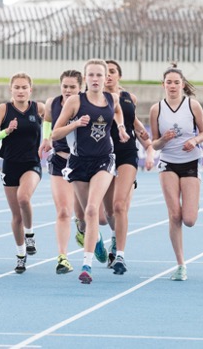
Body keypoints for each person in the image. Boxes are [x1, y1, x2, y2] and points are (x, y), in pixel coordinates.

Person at [52, 58, 130, 284]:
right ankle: (93, 240)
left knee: (94, 209)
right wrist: (75, 124)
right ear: (85, 78)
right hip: (78, 162)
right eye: (91, 75)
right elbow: (55, 134)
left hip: (104, 160)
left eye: (99, 75)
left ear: (106, 78)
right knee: (85, 216)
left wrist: (122, 128)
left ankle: (86, 265)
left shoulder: (111, 98)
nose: (96, 79)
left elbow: (116, 111)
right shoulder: (75, 102)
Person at [149, 66, 203, 281]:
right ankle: (181, 264)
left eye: (176, 82)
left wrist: (194, 140)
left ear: (182, 84)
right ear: (163, 85)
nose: (172, 86)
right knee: (174, 215)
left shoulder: (193, 106)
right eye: (169, 82)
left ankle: (193, 203)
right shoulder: (157, 109)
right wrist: (163, 140)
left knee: (189, 219)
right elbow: (154, 145)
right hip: (168, 163)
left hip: (190, 162)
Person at [100, 59, 154, 274]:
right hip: (102, 154)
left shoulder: (129, 98)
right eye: (105, 72)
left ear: (119, 76)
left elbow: (134, 124)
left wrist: (149, 147)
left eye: (112, 72)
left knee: (120, 205)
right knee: (106, 213)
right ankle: (113, 238)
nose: (108, 76)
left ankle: (120, 255)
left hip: (127, 153)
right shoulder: (94, 99)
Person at [0, 72, 45, 274]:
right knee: (16, 216)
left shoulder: (39, 108)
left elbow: (54, 123)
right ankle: (21, 255)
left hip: (32, 164)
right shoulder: (4, 109)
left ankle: (30, 235)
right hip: (10, 165)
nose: (20, 91)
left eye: (24, 87)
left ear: (31, 89)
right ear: (11, 89)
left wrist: (49, 140)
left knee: (23, 198)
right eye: (17, 87)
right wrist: (6, 131)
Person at [40, 69, 83, 274]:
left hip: (84, 162)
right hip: (59, 160)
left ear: (80, 88)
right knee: (64, 210)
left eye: (72, 87)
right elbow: (47, 120)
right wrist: (46, 138)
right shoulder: (52, 103)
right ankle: (63, 257)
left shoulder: (87, 105)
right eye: (64, 86)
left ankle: (83, 227)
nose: (67, 90)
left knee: (88, 213)